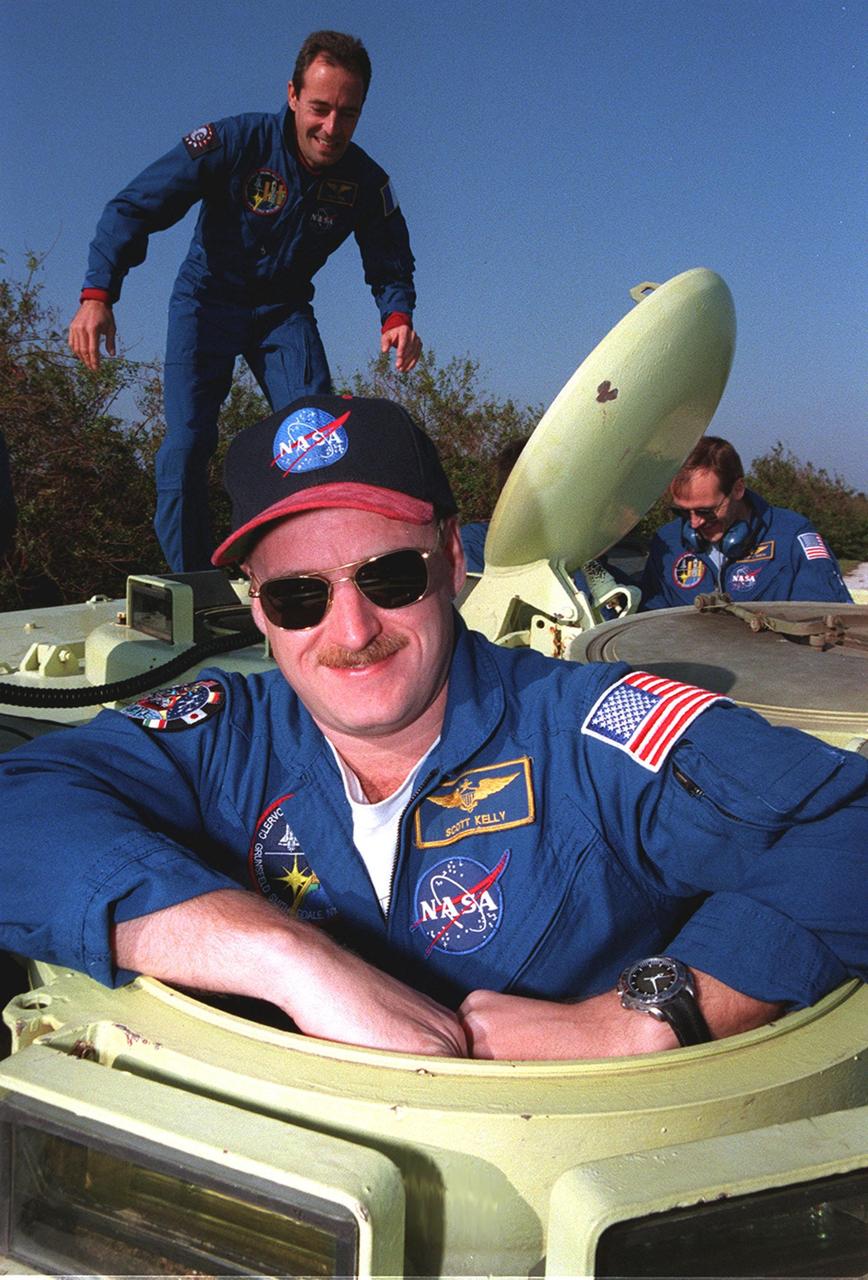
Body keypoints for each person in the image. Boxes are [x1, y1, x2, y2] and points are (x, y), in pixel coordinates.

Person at [0, 396, 865, 1061]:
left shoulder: (589, 732)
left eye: (389, 576)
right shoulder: (225, 734)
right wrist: (280, 955)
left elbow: (851, 827)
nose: (350, 632)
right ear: (256, 610)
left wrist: (650, 1015)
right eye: (299, 595)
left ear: (453, 559)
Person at [67, 31, 421, 574]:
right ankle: (192, 583)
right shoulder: (234, 142)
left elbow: (390, 253)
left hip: (283, 312)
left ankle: (308, 570)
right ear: (293, 95)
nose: (331, 128)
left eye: (347, 114)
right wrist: (98, 293)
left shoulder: (365, 181)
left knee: (317, 441)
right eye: (320, 108)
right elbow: (133, 207)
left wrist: (396, 314)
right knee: (187, 444)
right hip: (206, 302)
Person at [640, 436, 852, 610]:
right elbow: (647, 621)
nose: (694, 524)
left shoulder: (792, 537)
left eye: (706, 511)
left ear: (738, 489)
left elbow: (827, 625)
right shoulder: (666, 543)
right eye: (683, 512)